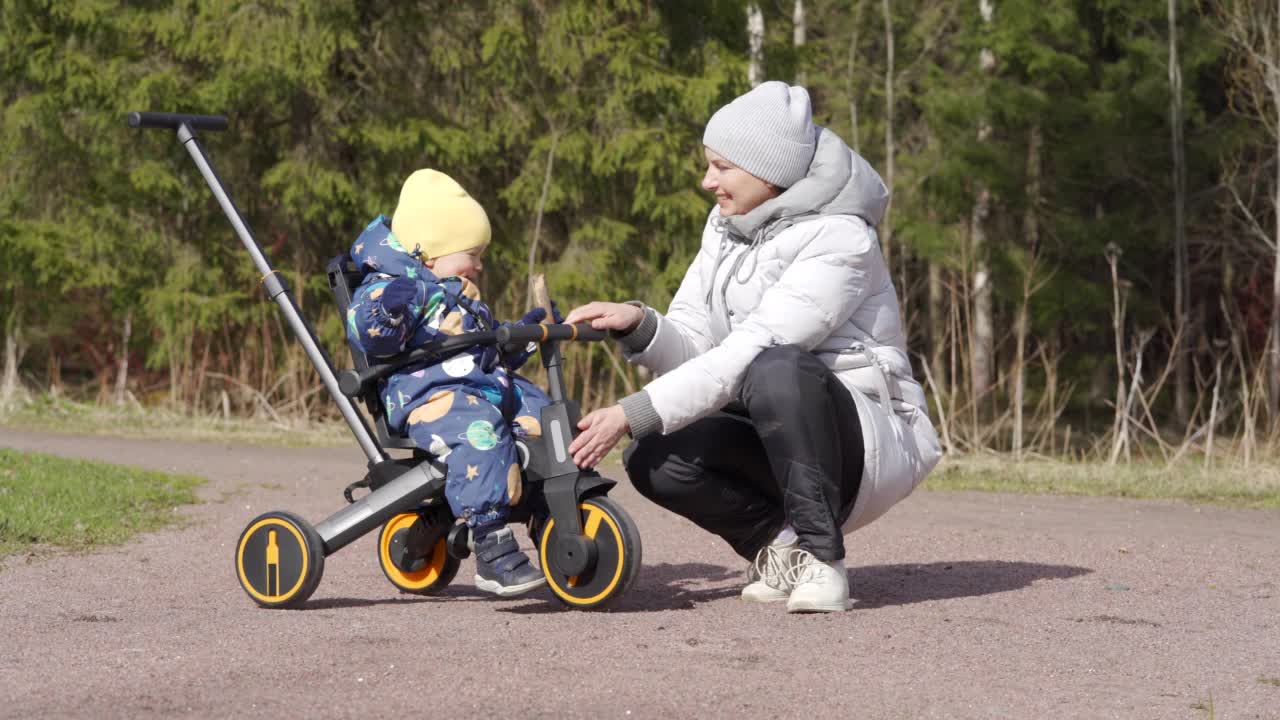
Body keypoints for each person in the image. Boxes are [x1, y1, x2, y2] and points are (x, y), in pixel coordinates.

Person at [565, 81, 942, 613]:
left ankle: (821, 559)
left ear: (769, 170)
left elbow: (751, 351)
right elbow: (698, 343)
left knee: (777, 366)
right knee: (656, 456)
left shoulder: (840, 238)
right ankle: (782, 549)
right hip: (779, 421)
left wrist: (632, 411)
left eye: (721, 167)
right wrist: (640, 325)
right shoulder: (726, 225)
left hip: (869, 440)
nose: (706, 181)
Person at [346, 169, 556, 597]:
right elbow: (368, 329)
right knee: (480, 433)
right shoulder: (389, 286)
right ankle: (492, 548)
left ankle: (551, 514)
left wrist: (523, 335)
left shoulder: (462, 293)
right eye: (472, 253)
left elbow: (485, 349)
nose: (480, 264)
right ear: (430, 253)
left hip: (483, 389)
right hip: (431, 399)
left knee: (544, 418)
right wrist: (390, 306)